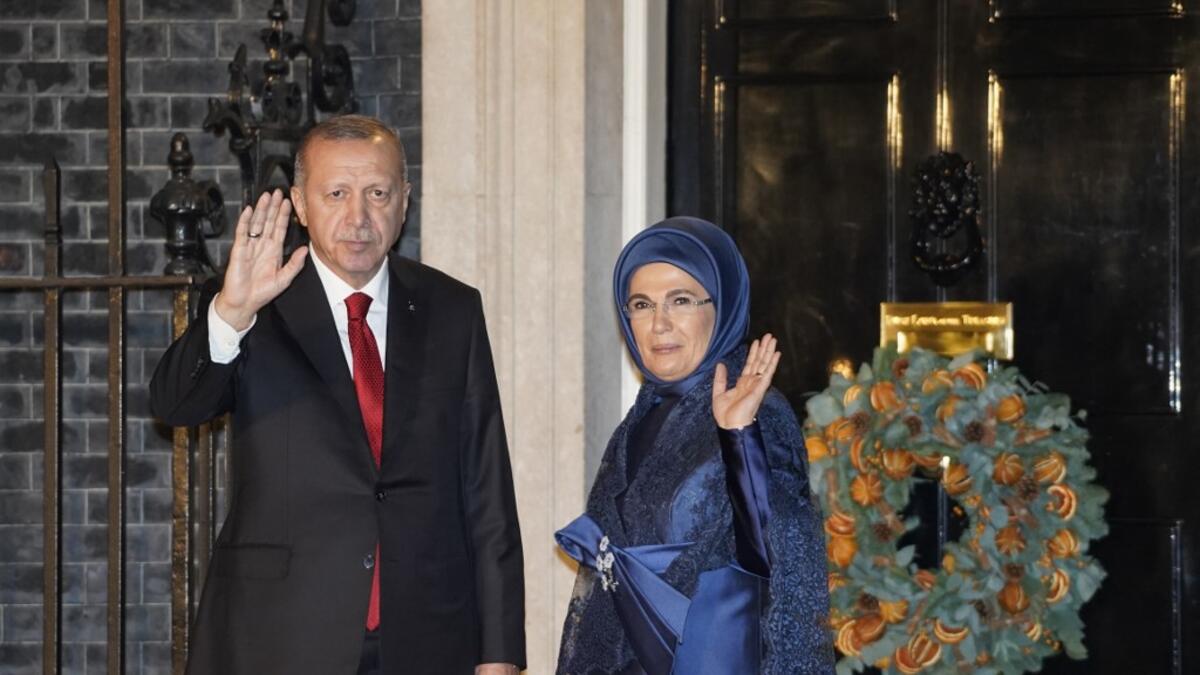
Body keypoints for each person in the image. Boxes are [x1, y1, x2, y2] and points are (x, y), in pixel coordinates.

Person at [150, 115, 525, 675]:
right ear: (301, 204)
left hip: (428, 634)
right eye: (336, 194)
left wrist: (500, 653)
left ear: (404, 201)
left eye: (378, 193)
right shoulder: (254, 301)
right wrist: (230, 314)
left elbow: (486, 488)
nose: (359, 217)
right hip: (279, 635)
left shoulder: (453, 309)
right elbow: (176, 405)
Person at [554, 217, 832, 674]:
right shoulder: (640, 419)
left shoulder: (755, 405)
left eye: (680, 301)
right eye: (641, 305)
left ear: (719, 306)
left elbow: (779, 562)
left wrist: (738, 437)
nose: (659, 324)